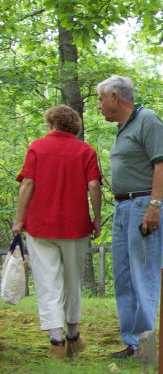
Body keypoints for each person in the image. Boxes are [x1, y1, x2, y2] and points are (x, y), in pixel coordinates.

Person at [13, 105, 102, 360]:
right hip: (75, 226)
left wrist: (19, 220)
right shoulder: (86, 150)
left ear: (51, 123)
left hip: (41, 226)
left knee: (47, 282)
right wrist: (95, 218)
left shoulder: (37, 147)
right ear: (73, 126)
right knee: (72, 281)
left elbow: (28, 183)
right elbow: (94, 185)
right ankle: (73, 336)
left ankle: (55, 341)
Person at [97, 76, 163, 358]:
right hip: (123, 207)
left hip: (145, 205)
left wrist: (154, 205)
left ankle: (146, 345)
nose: (99, 106)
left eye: (100, 99)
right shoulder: (123, 128)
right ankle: (131, 343)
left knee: (144, 274)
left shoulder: (148, 120)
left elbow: (161, 164)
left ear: (115, 97)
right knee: (125, 277)